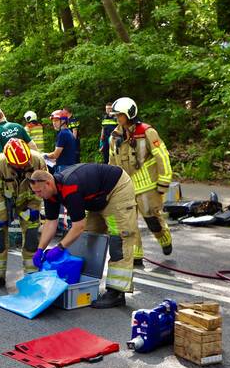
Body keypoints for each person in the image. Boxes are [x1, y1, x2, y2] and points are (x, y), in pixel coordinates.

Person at [29, 163, 137, 308]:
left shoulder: (70, 188)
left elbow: (78, 226)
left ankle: (117, 292)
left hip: (116, 190)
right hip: (97, 197)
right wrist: (40, 249)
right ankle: (86, 284)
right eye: (35, 192)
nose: (38, 195)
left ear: (48, 183)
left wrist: (60, 247)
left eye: (39, 191)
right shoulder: (50, 194)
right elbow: (50, 223)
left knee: (119, 239)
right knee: (89, 238)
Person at [108, 97, 173, 264]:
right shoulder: (114, 137)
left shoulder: (147, 132)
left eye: (120, 115)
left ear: (129, 114)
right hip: (126, 187)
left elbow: (162, 156)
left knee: (152, 219)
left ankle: (164, 238)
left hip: (148, 186)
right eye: (116, 115)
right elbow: (112, 163)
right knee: (129, 224)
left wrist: (164, 181)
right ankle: (135, 256)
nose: (117, 118)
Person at [0, 138, 48, 289]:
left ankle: (32, 276)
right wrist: (1, 216)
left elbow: (43, 187)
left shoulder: (37, 161)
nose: (22, 167)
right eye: (18, 166)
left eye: (24, 164)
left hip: (29, 203)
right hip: (4, 204)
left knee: (32, 239)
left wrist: (34, 207)